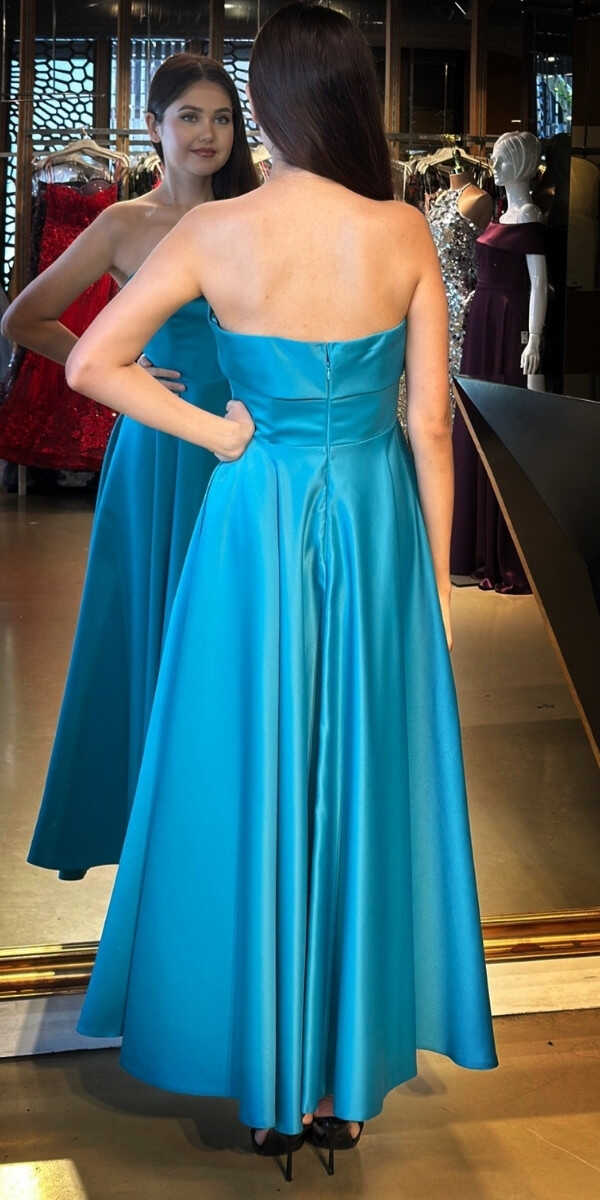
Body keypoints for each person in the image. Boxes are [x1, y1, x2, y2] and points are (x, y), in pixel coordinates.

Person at [65, 5, 497, 1182]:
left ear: (262, 105)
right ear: (353, 97)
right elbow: (428, 428)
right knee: (355, 780)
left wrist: (218, 433)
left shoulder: (216, 232)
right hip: (370, 525)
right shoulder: (401, 230)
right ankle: (337, 1086)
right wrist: (433, 585)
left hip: (251, 523)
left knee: (253, 771)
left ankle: (267, 1086)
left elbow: (90, 361)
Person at [1, 54, 258, 879]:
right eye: (190, 116)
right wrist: (119, 366)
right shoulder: (123, 224)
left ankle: (221, 822)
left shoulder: (255, 215)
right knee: (152, 622)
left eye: (222, 118)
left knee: (229, 633)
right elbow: (25, 318)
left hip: (243, 448)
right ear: (154, 126)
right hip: (158, 453)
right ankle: (156, 834)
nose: (208, 133)